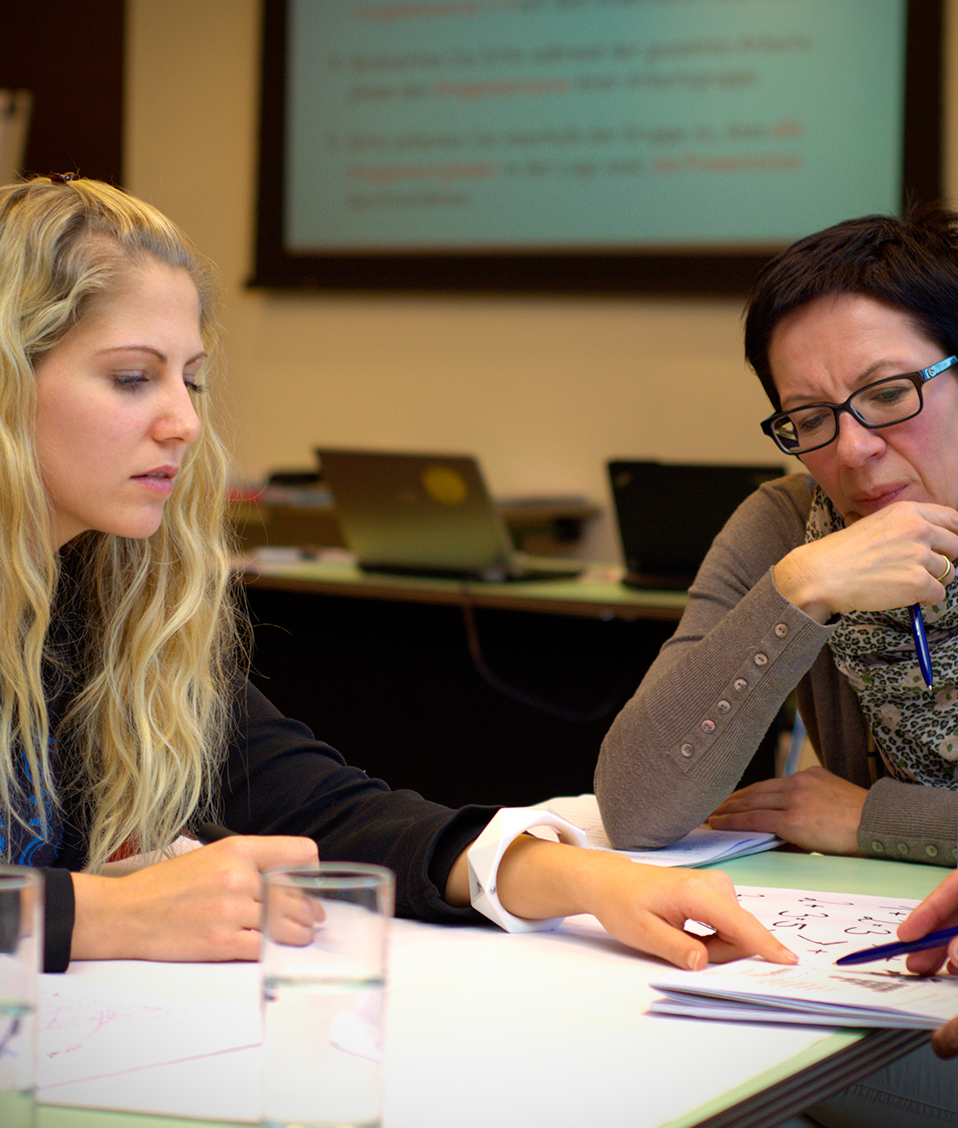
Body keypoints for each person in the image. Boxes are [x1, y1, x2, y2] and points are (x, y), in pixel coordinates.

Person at [0, 173, 795, 977]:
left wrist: (571, 876)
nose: (185, 423)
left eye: (192, 379)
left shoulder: (114, 603)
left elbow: (323, 811)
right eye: (134, 378)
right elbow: (102, 906)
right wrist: (103, 912)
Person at [596, 202, 958, 869]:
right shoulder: (790, 523)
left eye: (886, 394)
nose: (853, 451)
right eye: (810, 417)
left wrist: (873, 818)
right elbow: (635, 808)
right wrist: (798, 588)